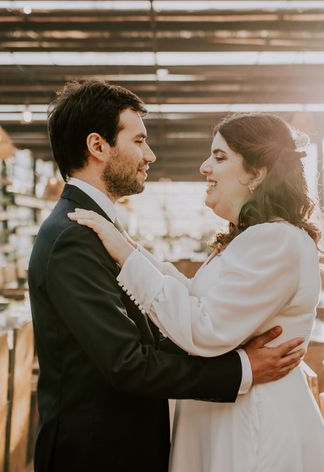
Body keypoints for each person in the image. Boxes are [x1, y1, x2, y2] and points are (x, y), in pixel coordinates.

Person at [28, 80, 307, 471]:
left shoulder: (91, 230)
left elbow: (156, 336)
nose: (151, 155)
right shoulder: (76, 235)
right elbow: (128, 362)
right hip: (98, 455)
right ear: (97, 146)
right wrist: (241, 369)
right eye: (139, 140)